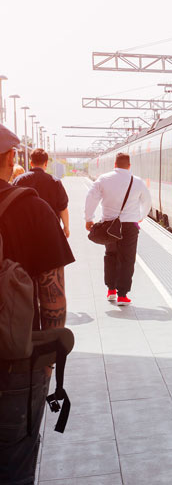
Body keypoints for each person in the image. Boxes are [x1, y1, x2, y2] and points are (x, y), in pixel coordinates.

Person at [0, 127, 74, 484]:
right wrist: (47, 360)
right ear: (11, 158)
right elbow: (53, 298)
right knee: (15, 458)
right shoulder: (33, 210)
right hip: (16, 360)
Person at [85, 152, 151, 306]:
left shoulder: (104, 179)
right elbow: (147, 202)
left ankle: (111, 290)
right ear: (129, 166)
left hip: (109, 225)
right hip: (129, 226)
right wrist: (140, 216)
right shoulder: (138, 182)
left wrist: (89, 218)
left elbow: (91, 197)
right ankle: (122, 295)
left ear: (114, 164)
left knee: (111, 255)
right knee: (127, 259)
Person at [13, 148, 70, 238]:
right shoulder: (55, 182)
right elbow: (63, 208)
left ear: (31, 163)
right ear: (46, 163)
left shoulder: (19, 180)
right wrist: (66, 227)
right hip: (50, 231)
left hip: (25, 231)